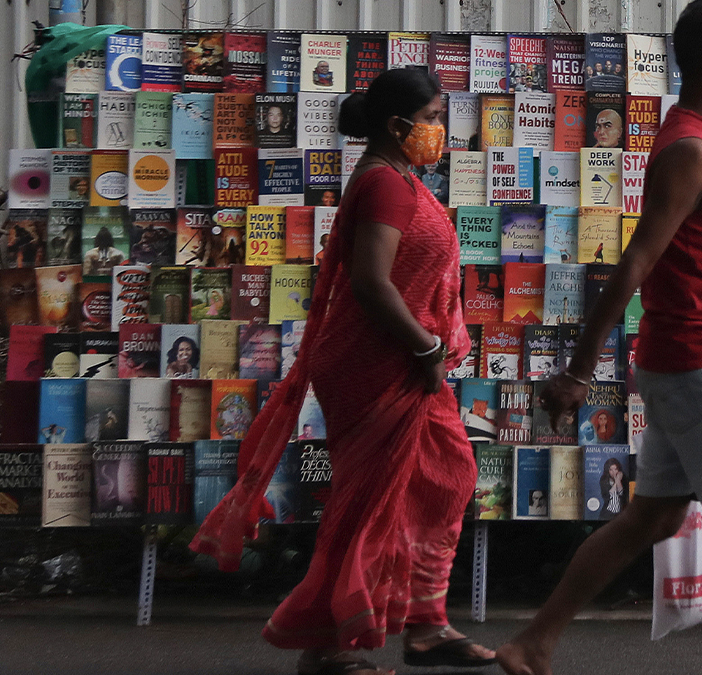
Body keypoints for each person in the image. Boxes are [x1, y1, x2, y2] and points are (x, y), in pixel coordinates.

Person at [497, 0, 702, 675]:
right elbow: (635, 262)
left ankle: (532, 643)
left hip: (695, 358)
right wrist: (577, 372)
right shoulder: (692, 149)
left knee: (652, 518)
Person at [191, 68, 493, 675]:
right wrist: (426, 350)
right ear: (396, 125)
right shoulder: (383, 184)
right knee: (370, 499)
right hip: (379, 363)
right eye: (434, 118)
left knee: (444, 481)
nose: (441, 130)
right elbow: (371, 284)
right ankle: (324, 647)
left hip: (404, 362)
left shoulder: (403, 178)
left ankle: (426, 624)